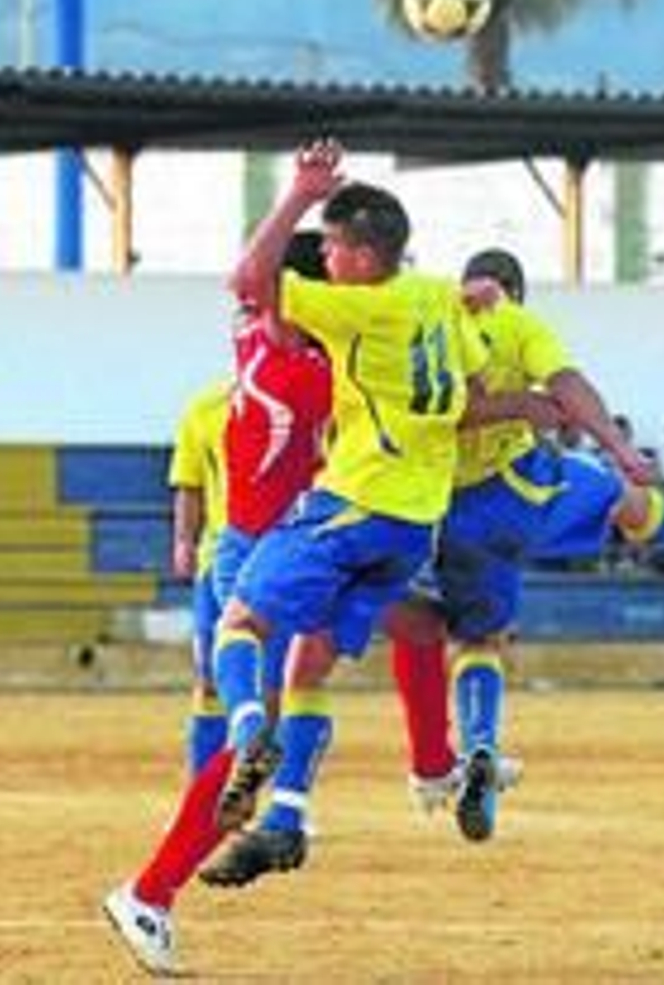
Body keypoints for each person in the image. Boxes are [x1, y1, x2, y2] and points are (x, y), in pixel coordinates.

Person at [190, 140, 490, 894]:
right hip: (413, 524)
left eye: (331, 245)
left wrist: (298, 191)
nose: (322, 257)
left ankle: (247, 737)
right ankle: (287, 819)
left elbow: (248, 281)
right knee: (312, 663)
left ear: (360, 254)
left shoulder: (343, 319)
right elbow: (473, 382)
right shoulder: (429, 298)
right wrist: (476, 307)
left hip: (345, 509)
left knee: (238, 630)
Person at [386, 247, 664, 843]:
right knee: (622, 492)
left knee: (476, 637)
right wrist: (615, 442)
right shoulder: (514, 322)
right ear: (513, 291)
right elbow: (567, 384)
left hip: (446, 515)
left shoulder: (420, 326)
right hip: (521, 489)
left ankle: (479, 748)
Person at [102, 227, 333, 975]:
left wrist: (300, 194)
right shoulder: (319, 376)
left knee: (269, 701)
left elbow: (252, 276)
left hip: (269, 548)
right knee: (255, 706)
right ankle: (162, 882)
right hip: (261, 552)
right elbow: (187, 484)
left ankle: (255, 800)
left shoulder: (256, 348)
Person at [167, 377, 232, 774]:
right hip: (219, 557)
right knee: (210, 678)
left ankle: (285, 806)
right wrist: (183, 542)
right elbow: (189, 484)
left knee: (284, 681)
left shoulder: (316, 400)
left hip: (286, 558)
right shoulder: (206, 408)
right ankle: (202, 796)